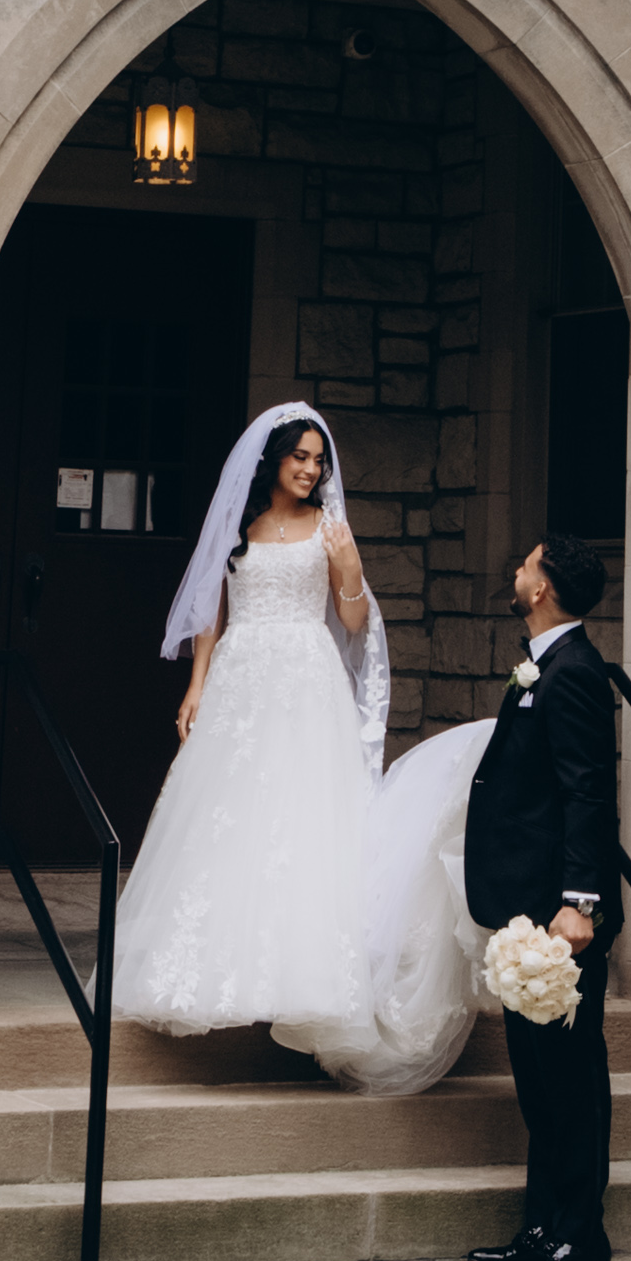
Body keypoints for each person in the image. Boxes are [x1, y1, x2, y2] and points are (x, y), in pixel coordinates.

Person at [109, 399, 491, 1093]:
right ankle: (215, 967)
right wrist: (197, 684)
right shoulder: (241, 525)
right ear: (273, 461)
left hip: (308, 683)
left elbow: (353, 622)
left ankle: (302, 975)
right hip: (241, 679)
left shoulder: (330, 528)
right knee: (229, 817)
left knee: (302, 821)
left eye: (319, 460)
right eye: (300, 457)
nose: (312, 469)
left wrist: (350, 569)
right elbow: (210, 611)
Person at [461, 527, 621, 1261]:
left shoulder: (576, 672)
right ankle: (540, 1228)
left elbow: (589, 792)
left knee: (570, 1077)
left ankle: (579, 1238)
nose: (517, 570)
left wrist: (579, 903)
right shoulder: (544, 665)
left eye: (526, 564)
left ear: (543, 586)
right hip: (527, 905)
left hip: (562, 917)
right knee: (537, 1079)